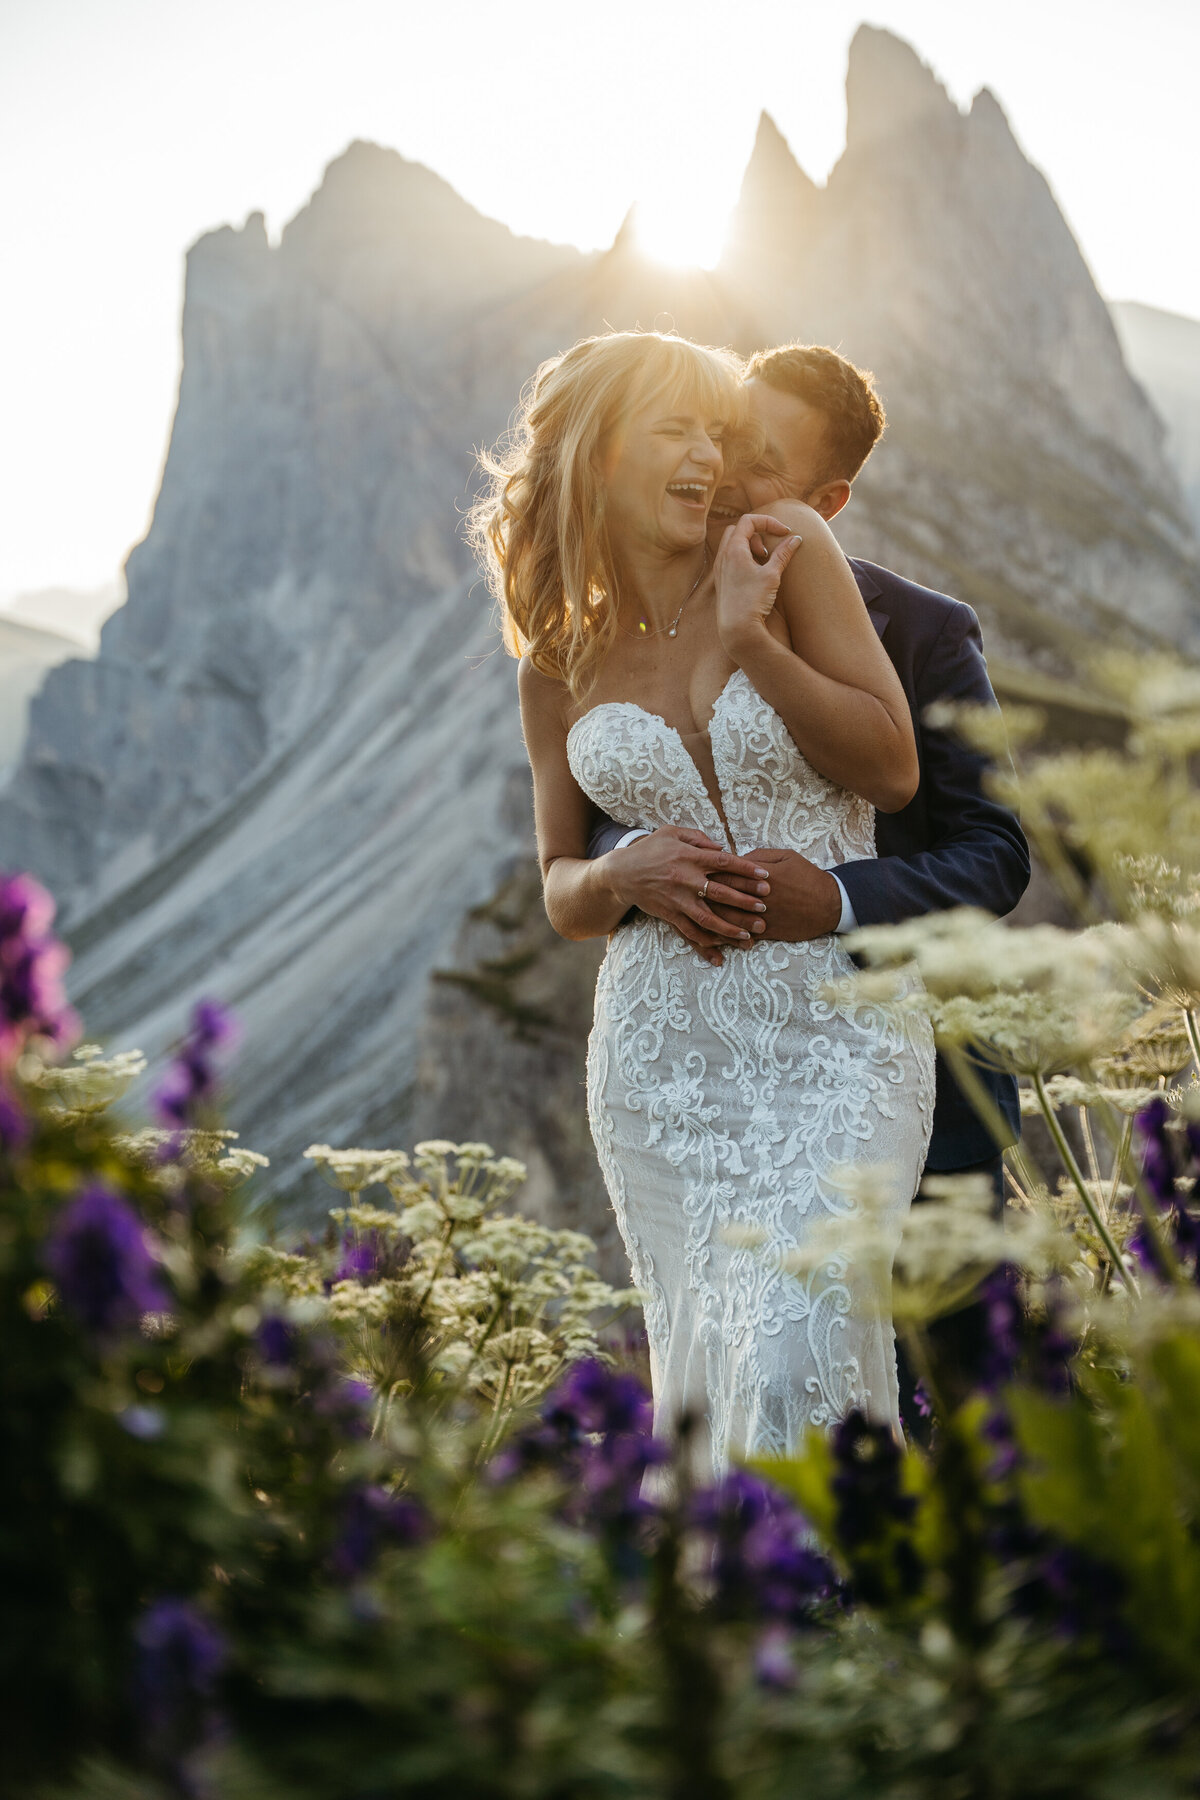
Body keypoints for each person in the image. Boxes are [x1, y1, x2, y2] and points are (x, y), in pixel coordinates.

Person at [471, 330, 935, 1475]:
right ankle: (752, 1632)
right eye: (675, 430)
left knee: (799, 1334)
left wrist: (747, 639)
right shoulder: (556, 663)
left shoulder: (787, 548)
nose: (707, 458)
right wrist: (619, 876)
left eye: (717, 433)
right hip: (667, 1060)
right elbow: (560, 891)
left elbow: (891, 768)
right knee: (716, 1363)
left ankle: (842, 1603)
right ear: (598, 453)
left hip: (842, 1029)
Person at [588, 343, 1032, 1421]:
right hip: (706, 1071)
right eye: (722, 437)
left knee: (961, 1411)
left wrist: (834, 899)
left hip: (890, 1067)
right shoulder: (637, 618)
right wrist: (627, 874)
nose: (724, 476)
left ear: (829, 500)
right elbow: (613, 825)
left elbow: (996, 854)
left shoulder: (922, 630)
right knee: (737, 1377)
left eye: (764, 465)